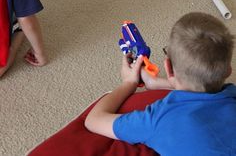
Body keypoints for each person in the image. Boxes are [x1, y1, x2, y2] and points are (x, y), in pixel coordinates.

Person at [85, 12, 236, 155]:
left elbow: (93, 120)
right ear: (228, 70)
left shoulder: (158, 117)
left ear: (168, 67)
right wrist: (155, 82)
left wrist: (129, 82)